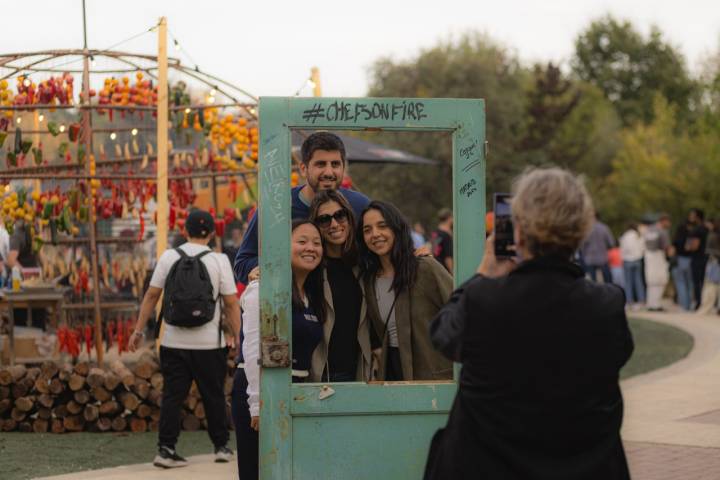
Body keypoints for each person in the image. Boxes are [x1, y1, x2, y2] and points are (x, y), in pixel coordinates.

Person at [425, 167, 633, 480]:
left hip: (486, 466)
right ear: (583, 226)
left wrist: (484, 271)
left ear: (517, 229)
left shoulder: (484, 299)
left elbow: (443, 335)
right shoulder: (606, 304)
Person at [129, 209, 240, 469]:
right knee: (213, 394)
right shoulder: (219, 260)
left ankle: (166, 450)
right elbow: (232, 304)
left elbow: (151, 296)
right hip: (210, 345)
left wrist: (137, 330)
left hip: (173, 343)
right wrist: (239, 336)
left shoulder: (169, 257)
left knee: (172, 397)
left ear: (184, 231)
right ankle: (221, 447)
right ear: (212, 233)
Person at [232, 220, 325, 480]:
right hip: (262, 389)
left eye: (317, 243)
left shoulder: (312, 295)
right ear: (282, 246)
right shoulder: (263, 287)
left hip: (298, 391)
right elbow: (252, 347)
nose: (311, 248)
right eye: (302, 241)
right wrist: (258, 404)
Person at [234, 132, 370, 284]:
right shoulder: (277, 206)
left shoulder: (360, 205)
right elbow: (243, 263)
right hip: (297, 304)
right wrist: (267, 269)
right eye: (320, 164)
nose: (329, 172)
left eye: (335, 164)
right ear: (303, 168)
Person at [357, 201, 453, 381]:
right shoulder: (369, 280)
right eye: (367, 230)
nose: (375, 234)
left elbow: (462, 311)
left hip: (433, 377)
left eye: (382, 226)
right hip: (393, 373)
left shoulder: (425, 268)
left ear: (396, 229)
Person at [308, 190, 373, 382]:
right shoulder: (310, 270)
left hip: (360, 375)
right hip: (320, 378)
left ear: (349, 217)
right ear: (316, 226)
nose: (334, 224)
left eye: (339, 215)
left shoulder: (365, 264)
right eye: (324, 219)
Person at [672, 209, 708, 310]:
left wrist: (687, 245)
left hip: (692, 258)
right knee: (694, 282)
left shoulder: (696, 230)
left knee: (688, 282)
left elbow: (691, 246)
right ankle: (692, 303)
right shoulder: (706, 228)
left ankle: (689, 305)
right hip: (703, 258)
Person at [580, 213, 615, 283]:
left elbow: (582, 245)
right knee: (608, 282)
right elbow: (611, 243)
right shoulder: (604, 228)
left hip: (590, 259)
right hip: (603, 258)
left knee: (593, 283)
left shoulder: (586, 229)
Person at [697, 218, 720, 315]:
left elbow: (709, 251)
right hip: (715, 262)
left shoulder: (712, 236)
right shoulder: (714, 235)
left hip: (714, 263)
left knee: (710, 286)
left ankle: (707, 308)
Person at [619, 223, 646, 308]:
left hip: (628, 260)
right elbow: (643, 248)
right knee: (638, 281)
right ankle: (641, 300)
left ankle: (629, 301)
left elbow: (624, 248)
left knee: (628, 282)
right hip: (637, 260)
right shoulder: (638, 236)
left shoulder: (625, 236)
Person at [430, 208, 453, 273]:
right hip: (445, 270)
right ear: (449, 218)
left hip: (436, 267)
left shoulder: (435, 233)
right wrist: (452, 273)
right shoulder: (446, 235)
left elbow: (432, 251)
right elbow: (448, 257)